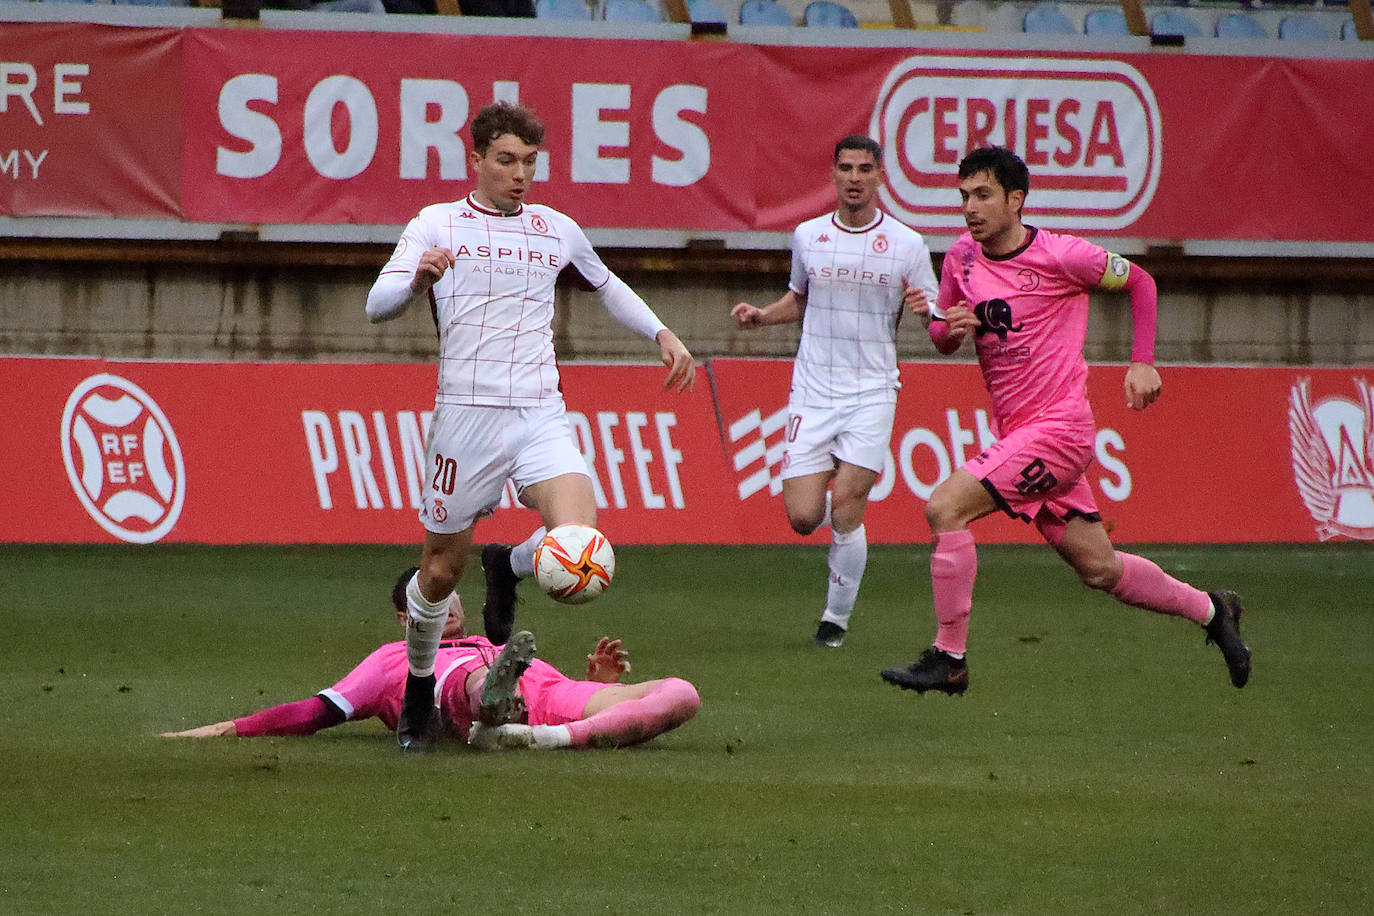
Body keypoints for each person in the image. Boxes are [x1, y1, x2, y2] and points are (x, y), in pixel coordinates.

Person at [365, 102, 695, 751]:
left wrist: (662, 332)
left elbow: (608, 286)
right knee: (436, 571)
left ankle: (510, 566)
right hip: (466, 416)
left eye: (530, 162)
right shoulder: (438, 223)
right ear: (478, 159)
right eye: (507, 160)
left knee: (580, 541)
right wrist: (417, 280)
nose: (520, 174)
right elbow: (377, 303)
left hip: (541, 411)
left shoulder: (555, 229)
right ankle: (416, 692)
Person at [879, 146, 1252, 695]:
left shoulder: (1061, 256)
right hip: (1020, 435)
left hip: (1060, 431)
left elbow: (1141, 282)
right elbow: (943, 336)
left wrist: (1142, 361)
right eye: (963, 197)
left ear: (1016, 200)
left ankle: (949, 659)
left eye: (983, 195)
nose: (970, 208)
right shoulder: (961, 257)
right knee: (1100, 569)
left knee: (944, 506)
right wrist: (947, 326)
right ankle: (1213, 612)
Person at [729, 135, 939, 648]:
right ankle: (846, 538)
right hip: (812, 391)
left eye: (864, 168)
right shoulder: (808, 236)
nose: (854, 177)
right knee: (803, 517)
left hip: (872, 391)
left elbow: (938, 319)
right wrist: (763, 316)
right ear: (833, 174)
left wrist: (931, 312)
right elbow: (799, 299)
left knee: (846, 500)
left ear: (879, 177)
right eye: (845, 168)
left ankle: (835, 620)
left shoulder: (908, 246)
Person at [160, 569, 701, 751]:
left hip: (548, 695)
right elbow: (315, 712)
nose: (451, 604)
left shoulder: (486, 639)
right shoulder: (391, 659)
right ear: (407, 619)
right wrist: (223, 730)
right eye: (431, 600)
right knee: (472, 678)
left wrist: (596, 684)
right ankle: (492, 703)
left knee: (681, 694)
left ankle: (541, 737)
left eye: (450, 593)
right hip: (458, 695)